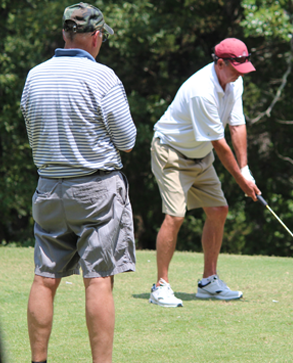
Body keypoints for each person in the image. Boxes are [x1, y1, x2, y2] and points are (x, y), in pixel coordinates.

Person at [20, 3, 137, 363]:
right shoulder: (103, 77)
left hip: (48, 188)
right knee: (99, 278)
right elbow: (128, 139)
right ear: (96, 36)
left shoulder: (35, 75)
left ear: (64, 34)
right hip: (96, 190)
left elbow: (32, 130)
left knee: (44, 278)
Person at [150, 38, 261, 308]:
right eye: (235, 68)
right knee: (175, 216)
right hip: (171, 152)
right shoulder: (201, 90)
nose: (239, 75)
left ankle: (208, 281)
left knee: (218, 210)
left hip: (199, 155)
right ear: (219, 63)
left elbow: (237, 125)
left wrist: (245, 170)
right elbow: (219, 145)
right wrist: (241, 182)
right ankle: (160, 286)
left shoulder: (235, 81)